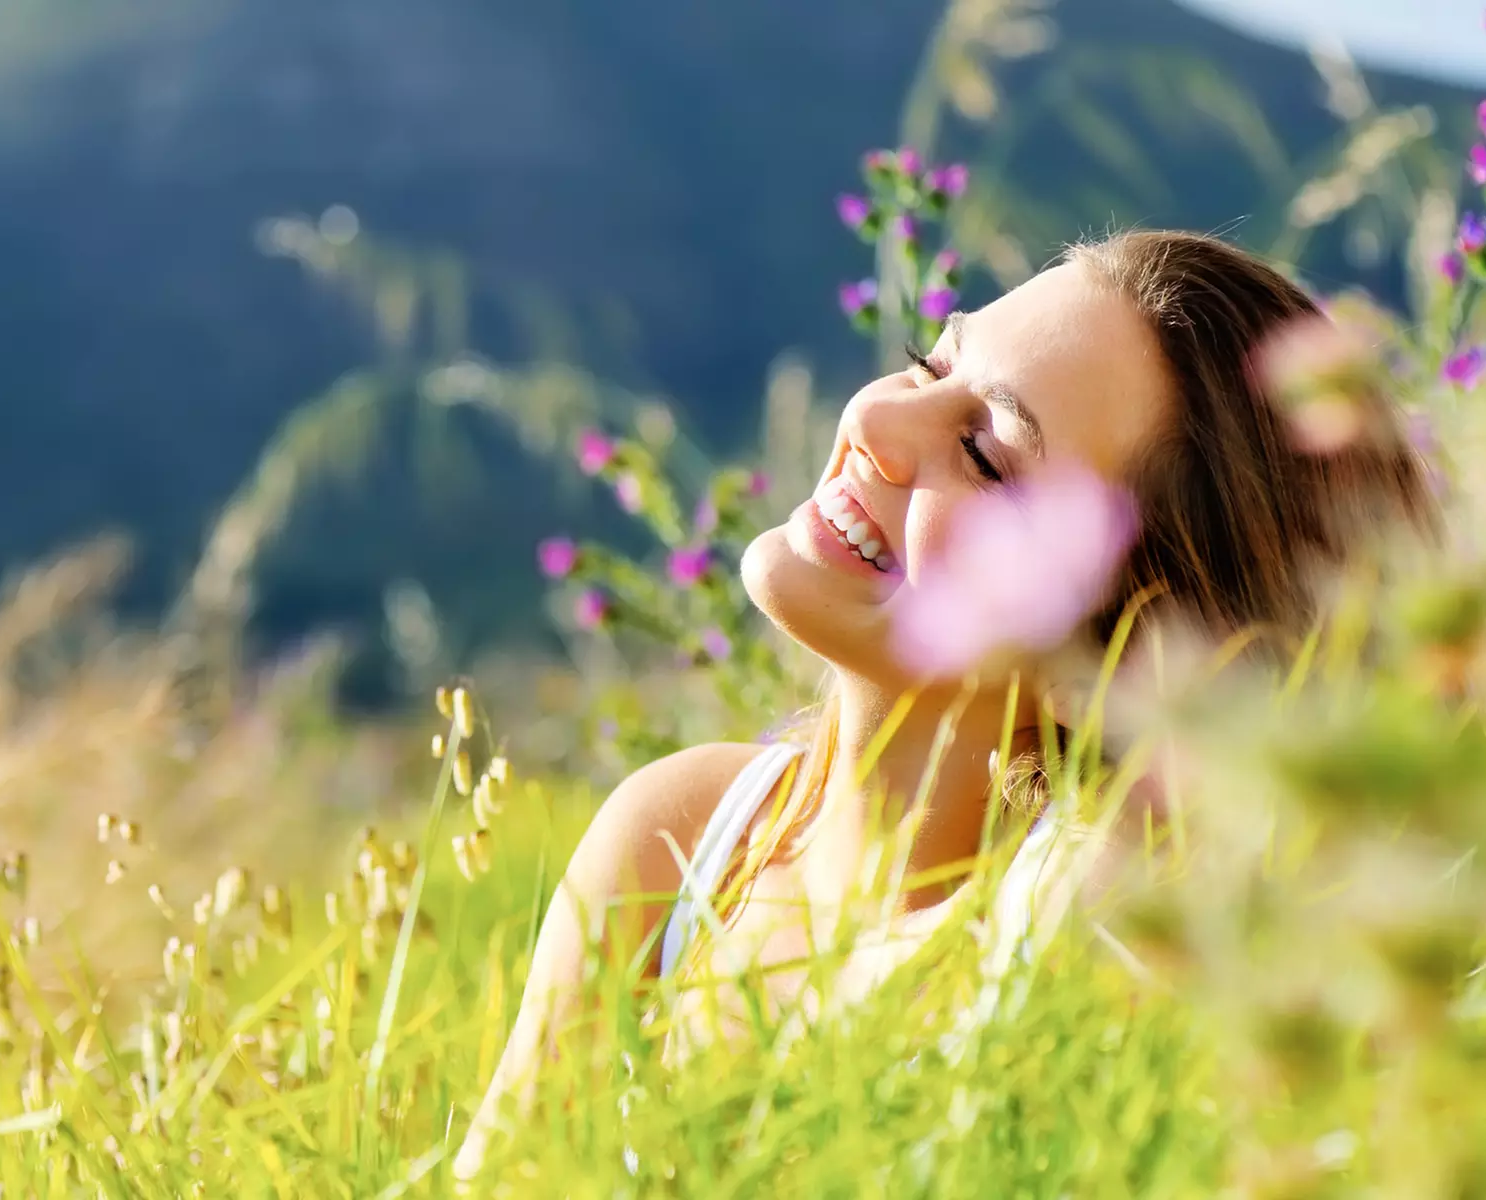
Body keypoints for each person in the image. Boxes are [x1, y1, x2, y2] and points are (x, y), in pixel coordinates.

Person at [454, 230, 1433, 1180]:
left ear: (1122, 660)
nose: (876, 426)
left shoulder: (1059, 944)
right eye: (929, 366)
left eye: (987, 456)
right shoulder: (681, 838)